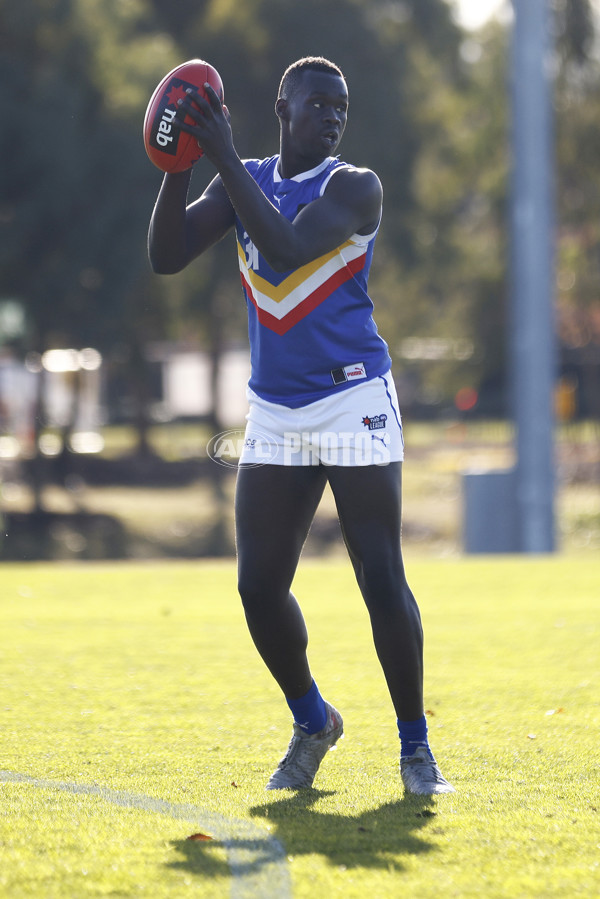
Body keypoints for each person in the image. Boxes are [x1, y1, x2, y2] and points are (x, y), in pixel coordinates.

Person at [148, 56, 454, 795]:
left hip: (354, 397)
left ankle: (416, 750)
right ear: (282, 109)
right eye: (318, 103)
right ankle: (313, 719)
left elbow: (285, 251)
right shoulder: (239, 176)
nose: (333, 116)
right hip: (278, 408)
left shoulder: (354, 186)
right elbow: (164, 256)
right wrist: (179, 161)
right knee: (258, 586)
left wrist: (219, 153)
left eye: (341, 107)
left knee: (379, 574)